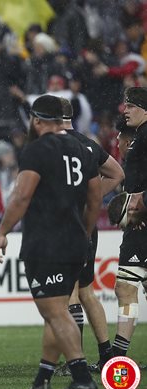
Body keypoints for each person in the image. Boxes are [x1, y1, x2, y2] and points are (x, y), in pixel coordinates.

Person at [0, 95, 101, 389]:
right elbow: (94, 199)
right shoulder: (84, 147)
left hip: (46, 242)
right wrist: (86, 232)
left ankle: (81, 377)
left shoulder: (37, 150)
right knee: (56, 309)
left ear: (37, 120)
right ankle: (42, 380)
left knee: (54, 312)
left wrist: (2, 232)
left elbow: (22, 196)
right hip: (75, 241)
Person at [59, 98, 124, 372]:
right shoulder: (87, 143)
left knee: (69, 291)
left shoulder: (55, 146)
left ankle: (77, 362)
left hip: (67, 225)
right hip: (87, 224)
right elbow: (117, 173)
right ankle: (106, 353)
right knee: (87, 291)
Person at [109, 87, 147, 359]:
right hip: (139, 224)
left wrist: (141, 203)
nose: (126, 110)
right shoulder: (139, 137)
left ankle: (118, 356)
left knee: (125, 286)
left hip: (141, 226)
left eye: (131, 106)